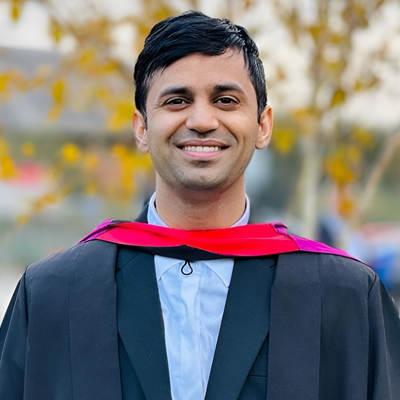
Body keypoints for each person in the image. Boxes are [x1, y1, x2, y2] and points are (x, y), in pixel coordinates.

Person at [0, 11, 399, 400]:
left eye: (226, 100)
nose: (203, 120)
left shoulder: (344, 297)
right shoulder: (53, 295)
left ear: (263, 125)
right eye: (177, 101)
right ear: (141, 128)